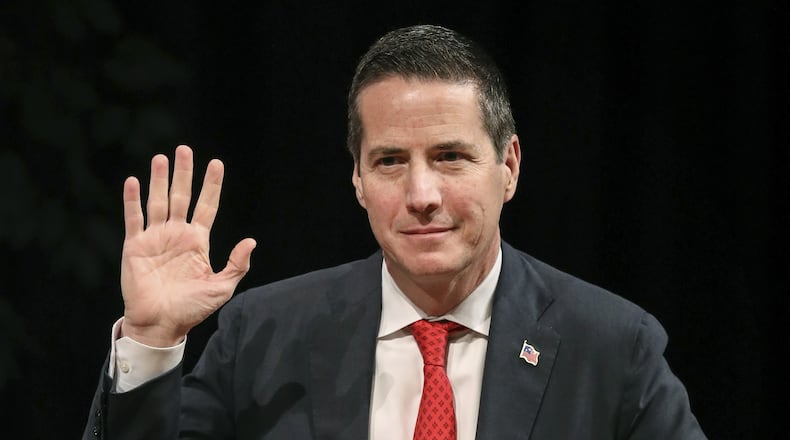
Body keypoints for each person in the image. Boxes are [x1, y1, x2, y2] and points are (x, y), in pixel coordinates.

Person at [83, 24, 706, 439]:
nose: (421, 196)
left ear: (508, 166)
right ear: (356, 179)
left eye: (450, 157)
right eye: (389, 162)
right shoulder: (264, 335)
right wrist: (151, 339)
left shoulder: (614, 347)